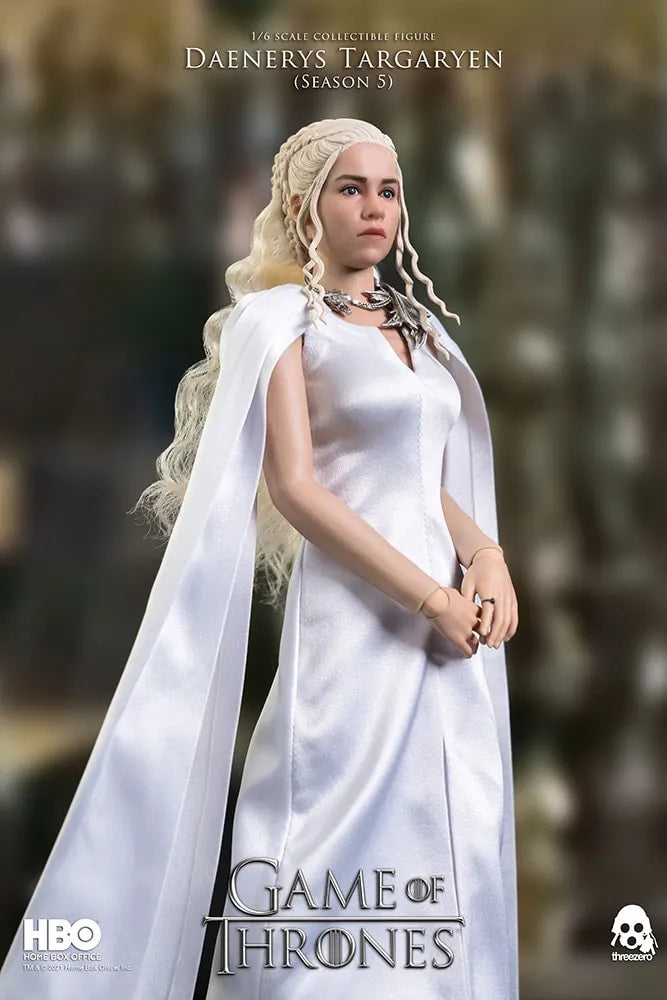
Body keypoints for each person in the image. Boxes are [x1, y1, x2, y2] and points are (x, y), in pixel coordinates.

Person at [0, 119, 519, 1000]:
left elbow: (417, 476)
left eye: (387, 190)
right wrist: (429, 596)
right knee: (329, 819)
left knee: (452, 813)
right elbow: (298, 488)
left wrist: (485, 555)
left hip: (449, 625)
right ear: (302, 206)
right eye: (349, 188)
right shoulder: (282, 322)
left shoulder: (417, 327)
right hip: (358, 621)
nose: (374, 208)